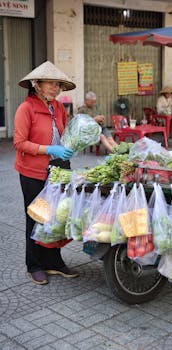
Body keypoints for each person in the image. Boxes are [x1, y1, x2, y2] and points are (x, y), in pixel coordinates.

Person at [14, 60, 79, 285]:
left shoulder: (58, 107)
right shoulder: (27, 108)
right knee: (36, 217)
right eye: (50, 84)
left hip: (58, 171)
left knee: (56, 217)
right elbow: (20, 143)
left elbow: (66, 133)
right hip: (33, 172)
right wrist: (49, 149)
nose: (55, 88)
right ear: (37, 84)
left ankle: (54, 262)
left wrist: (74, 141)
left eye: (58, 85)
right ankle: (34, 265)